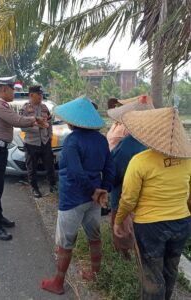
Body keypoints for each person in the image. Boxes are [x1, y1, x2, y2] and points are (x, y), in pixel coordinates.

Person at [40, 96, 115, 295]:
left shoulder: (72, 140)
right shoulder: (101, 139)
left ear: (75, 120)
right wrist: (102, 190)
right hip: (95, 199)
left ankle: (58, 282)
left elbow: (74, 172)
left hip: (73, 198)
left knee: (66, 243)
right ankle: (95, 273)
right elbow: (109, 167)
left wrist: (93, 190)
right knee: (94, 236)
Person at [114, 107, 191, 300]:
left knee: (152, 274)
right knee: (171, 270)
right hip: (181, 223)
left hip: (151, 227)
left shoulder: (140, 161)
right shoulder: (187, 160)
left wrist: (119, 220)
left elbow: (129, 198)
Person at [0, 76, 47, 241]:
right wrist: (35, 120)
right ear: (4, 89)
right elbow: (17, 121)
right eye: (12, 89)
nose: (14, 92)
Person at [108, 95, 154, 258]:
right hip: (148, 200)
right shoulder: (153, 142)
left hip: (124, 195)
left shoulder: (128, 145)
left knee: (122, 229)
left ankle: (124, 255)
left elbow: (115, 174)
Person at [19, 85, 56, 198]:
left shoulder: (45, 108)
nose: (41, 96)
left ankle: (53, 186)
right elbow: (22, 126)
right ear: (31, 95)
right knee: (32, 168)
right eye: (38, 94)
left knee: (50, 166)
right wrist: (37, 126)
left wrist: (49, 136)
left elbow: (49, 124)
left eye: (41, 94)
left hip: (45, 142)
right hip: (31, 143)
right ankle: (35, 188)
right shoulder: (25, 109)